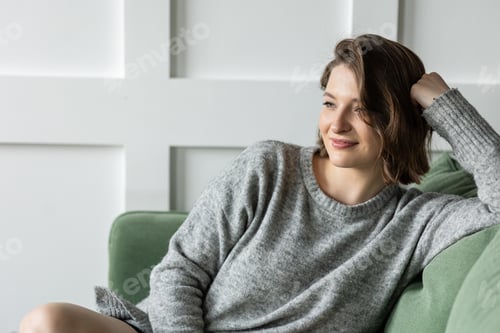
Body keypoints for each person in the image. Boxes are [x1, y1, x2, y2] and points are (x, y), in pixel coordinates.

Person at [19, 34, 500, 333]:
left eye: (364, 108)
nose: (338, 124)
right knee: (46, 322)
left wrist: (445, 106)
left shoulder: (420, 221)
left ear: (400, 119)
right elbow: (179, 271)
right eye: (331, 102)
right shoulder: (269, 167)